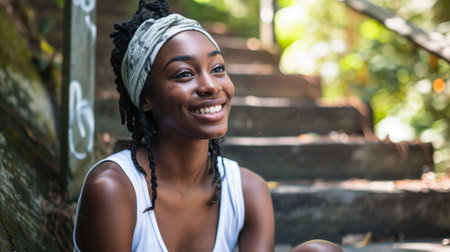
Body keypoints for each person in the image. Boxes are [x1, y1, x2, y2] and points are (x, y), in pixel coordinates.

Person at [72, 0, 274, 251]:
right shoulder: (114, 189)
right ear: (146, 98)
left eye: (218, 68)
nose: (211, 85)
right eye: (184, 74)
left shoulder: (248, 192)